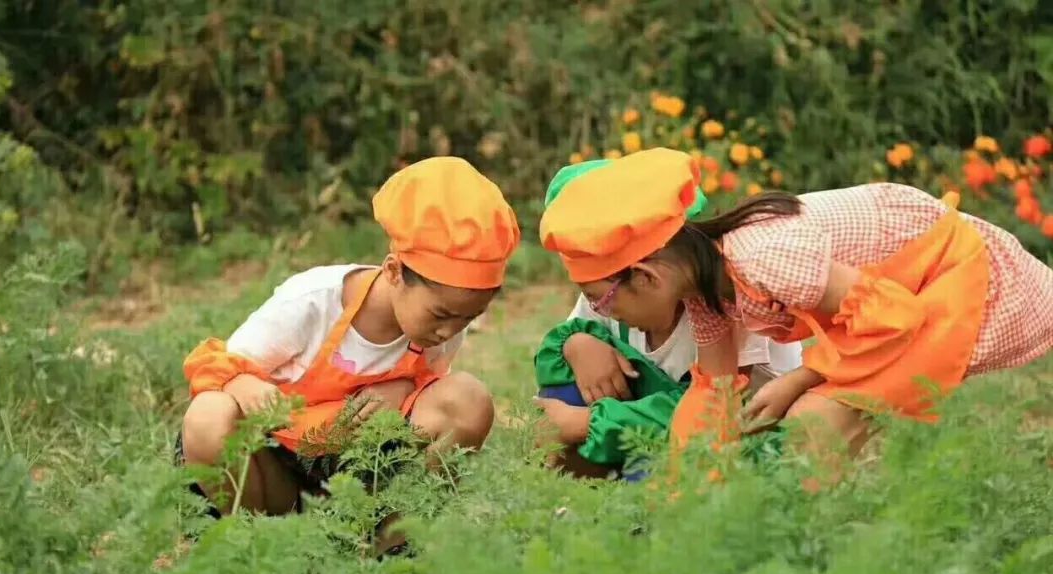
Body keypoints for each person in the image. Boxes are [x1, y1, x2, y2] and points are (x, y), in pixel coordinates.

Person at [538, 147, 1053, 456]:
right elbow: (713, 393)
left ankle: (809, 562)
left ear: (647, 277)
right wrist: (688, 478)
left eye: (600, 300)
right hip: (885, 310)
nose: (604, 315)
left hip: (936, 278)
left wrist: (797, 381)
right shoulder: (705, 293)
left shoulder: (762, 259)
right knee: (811, 428)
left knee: (812, 425)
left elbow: (892, 317)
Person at [177, 156, 520, 515]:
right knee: (209, 415)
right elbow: (212, 366)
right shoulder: (312, 301)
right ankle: (252, 541)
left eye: (470, 316)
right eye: (442, 315)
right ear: (394, 271)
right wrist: (240, 384)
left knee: (468, 399)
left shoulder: (444, 327)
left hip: (357, 474)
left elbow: (432, 387)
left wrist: (405, 389)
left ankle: (390, 538)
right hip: (274, 467)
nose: (451, 330)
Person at [533, 160, 802, 477]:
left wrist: (583, 423)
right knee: (567, 378)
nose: (597, 308)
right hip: (657, 423)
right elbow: (557, 353)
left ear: (645, 277)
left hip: (744, 437)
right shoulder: (615, 292)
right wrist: (577, 345)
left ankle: (648, 497)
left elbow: (717, 413)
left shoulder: (728, 299)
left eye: (597, 296)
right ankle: (596, 491)